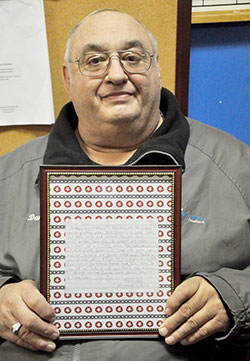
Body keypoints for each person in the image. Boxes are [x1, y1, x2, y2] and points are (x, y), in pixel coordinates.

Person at [0, 8, 249, 361]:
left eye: (132, 57)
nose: (116, 74)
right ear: (67, 77)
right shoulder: (7, 176)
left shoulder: (238, 167)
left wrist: (234, 297)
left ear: (157, 68)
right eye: (95, 60)